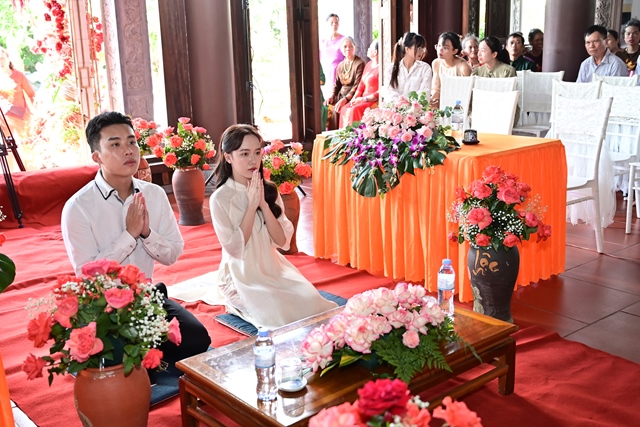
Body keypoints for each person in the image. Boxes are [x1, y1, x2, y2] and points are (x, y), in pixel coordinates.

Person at [61, 111, 211, 375]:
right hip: (102, 306)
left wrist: (146, 233)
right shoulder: (78, 207)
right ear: (97, 156)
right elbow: (87, 275)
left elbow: (172, 254)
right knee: (121, 365)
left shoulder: (153, 194)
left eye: (131, 142)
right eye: (115, 144)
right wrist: (128, 235)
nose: (128, 150)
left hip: (144, 297)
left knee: (197, 340)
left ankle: (146, 349)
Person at [210, 124, 337, 330]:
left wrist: (263, 204)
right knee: (276, 311)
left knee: (311, 302)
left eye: (257, 152)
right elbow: (235, 250)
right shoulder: (220, 198)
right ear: (228, 157)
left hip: (273, 269)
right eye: (244, 154)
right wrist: (251, 207)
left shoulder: (269, 189)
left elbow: (282, 242)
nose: (253, 160)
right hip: (240, 276)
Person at [326, 37, 365, 130]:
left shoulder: (360, 63)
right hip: (340, 95)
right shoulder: (340, 65)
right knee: (326, 108)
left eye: (351, 46)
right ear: (341, 49)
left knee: (340, 108)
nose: (348, 49)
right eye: (345, 46)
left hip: (353, 96)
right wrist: (332, 95)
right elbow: (337, 84)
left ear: (355, 47)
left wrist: (345, 99)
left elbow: (357, 86)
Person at [339, 40, 379, 128]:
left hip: (372, 100)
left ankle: (355, 135)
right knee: (345, 108)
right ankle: (344, 135)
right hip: (361, 99)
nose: (368, 49)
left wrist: (363, 99)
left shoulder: (381, 68)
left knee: (355, 109)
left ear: (375, 52)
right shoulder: (368, 64)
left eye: (370, 48)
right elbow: (361, 85)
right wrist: (353, 99)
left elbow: (380, 92)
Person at [384, 32, 432, 102]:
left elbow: (424, 93)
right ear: (407, 49)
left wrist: (411, 105)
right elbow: (389, 93)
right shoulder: (391, 69)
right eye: (418, 48)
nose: (421, 52)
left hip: (417, 108)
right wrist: (401, 104)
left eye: (423, 49)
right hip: (395, 107)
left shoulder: (425, 68)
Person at [0, 46, 36, 140]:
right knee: (10, 148)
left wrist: (33, 114)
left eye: (2, 58)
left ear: (8, 59)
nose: (0, 62)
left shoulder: (19, 76)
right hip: (5, 123)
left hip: (22, 119)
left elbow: (32, 95)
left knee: (27, 145)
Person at [430, 32, 472, 109]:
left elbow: (465, 93)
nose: (440, 50)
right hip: (440, 104)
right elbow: (436, 88)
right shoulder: (436, 63)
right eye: (439, 46)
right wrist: (433, 100)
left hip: (459, 106)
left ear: (455, 51)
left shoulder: (463, 67)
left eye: (445, 48)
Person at [319, 13, 346, 100]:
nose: (334, 25)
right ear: (327, 24)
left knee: (335, 97)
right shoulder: (322, 40)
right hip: (325, 72)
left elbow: (347, 58)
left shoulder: (343, 40)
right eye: (332, 22)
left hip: (337, 73)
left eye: (336, 22)